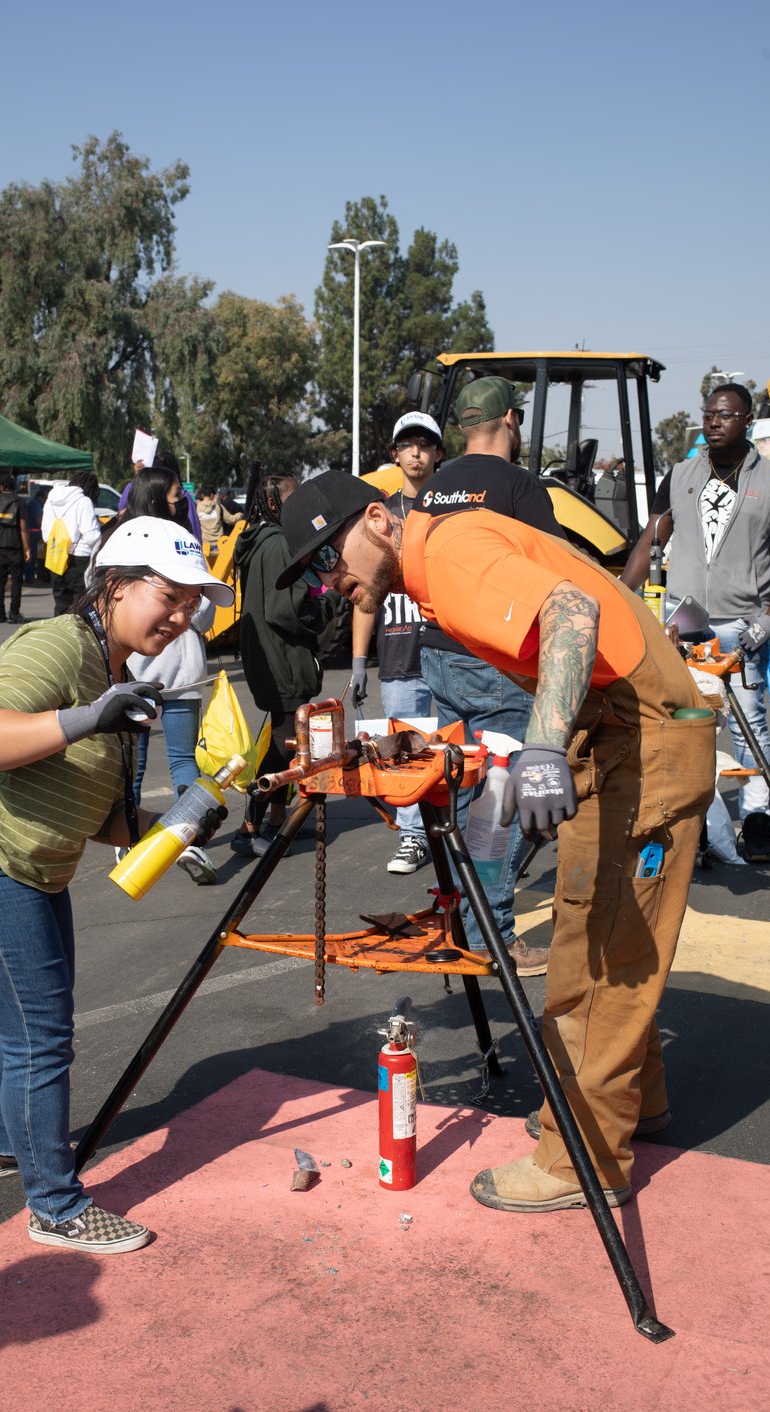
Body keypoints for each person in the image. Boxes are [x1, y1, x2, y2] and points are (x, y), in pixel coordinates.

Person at [275, 471, 716, 1213]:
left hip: (643, 744)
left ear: (380, 520)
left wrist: (542, 747)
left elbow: (572, 612)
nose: (330, 580)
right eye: (316, 572)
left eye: (329, 555)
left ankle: (581, 1162)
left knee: (596, 959)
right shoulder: (441, 556)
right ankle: (634, 1108)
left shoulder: (444, 553)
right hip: (623, 736)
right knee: (603, 934)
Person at [0, 518, 235, 1254]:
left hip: (27, 870)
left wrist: (177, 822)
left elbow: (103, 818)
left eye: (191, 607)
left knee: (21, 1021)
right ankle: (56, 1208)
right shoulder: (58, 646)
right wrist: (89, 717)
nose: (181, 618)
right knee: (39, 1035)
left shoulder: (118, 675)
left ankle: (2, 1145)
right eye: (169, 598)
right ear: (115, 587)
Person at [622, 382, 770, 863]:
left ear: (746, 420)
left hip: (743, 624)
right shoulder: (681, 474)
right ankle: (690, 820)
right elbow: (649, 541)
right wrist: (624, 597)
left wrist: (769, 619)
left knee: (749, 726)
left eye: (725, 415)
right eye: (708, 414)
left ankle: (758, 819)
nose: (714, 422)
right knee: (684, 722)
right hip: (683, 624)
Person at [415, 378, 562, 976]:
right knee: (503, 803)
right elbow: (555, 581)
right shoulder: (520, 486)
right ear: (510, 421)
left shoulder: (431, 491)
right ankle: (491, 935)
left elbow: (416, 572)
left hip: (438, 654)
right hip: (495, 658)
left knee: (468, 795)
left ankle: (465, 920)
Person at [99, 468, 217, 885]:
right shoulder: (182, 544)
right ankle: (189, 839)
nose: (180, 502)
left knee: (135, 764)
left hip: (137, 676)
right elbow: (204, 615)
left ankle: (130, 844)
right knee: (183, 759)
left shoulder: (115, 540)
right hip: (178, 673)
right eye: (172, 496)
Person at [350, 412, 445, 876]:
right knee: (403, 754)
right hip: (398, 657)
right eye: (407, 445)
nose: (416, 453)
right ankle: (412, 837)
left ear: (438, 453)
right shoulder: (379, 515)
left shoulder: (451, 509)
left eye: (425, 445)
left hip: (448, 652)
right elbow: (365, 595)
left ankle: (458, 834)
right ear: (394, 453)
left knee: (453, 750)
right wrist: (357, 661)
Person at [233, 474, 330, 856]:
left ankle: (276, 821)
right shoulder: (275, 544)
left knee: (287, 740)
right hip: (281, 658)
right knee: (282, 743)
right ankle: (249, 825)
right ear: (273, 504)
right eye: (291, 498)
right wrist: (323, 608)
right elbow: (283, 607)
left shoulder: (264, 540)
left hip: (275, 656)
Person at [44, 471, 102, 616]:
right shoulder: (84, 501)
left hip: (55, 556)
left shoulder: (50, 500)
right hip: (79, 559)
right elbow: (92, 537)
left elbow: (46, 535)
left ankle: (60, 636)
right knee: (81, 605)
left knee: (61, 603)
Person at [0, 474, 30, 623]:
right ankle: (14, 613)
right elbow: (23, 528)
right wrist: (27, 548)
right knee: (16, 581)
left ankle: (0, 613)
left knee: (0, 580)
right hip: (15, 546)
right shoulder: (20, 502)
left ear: (1, 486)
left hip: (0, 546)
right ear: (14, 487)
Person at [24, 485, 48, 583]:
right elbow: (39, 520)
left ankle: (29, 575)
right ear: (41, 497)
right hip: (33, 533)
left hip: (31, 532)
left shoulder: (32, 503)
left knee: (31, 555)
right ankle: (30, 577)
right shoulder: (36, 505)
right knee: (32, 555)